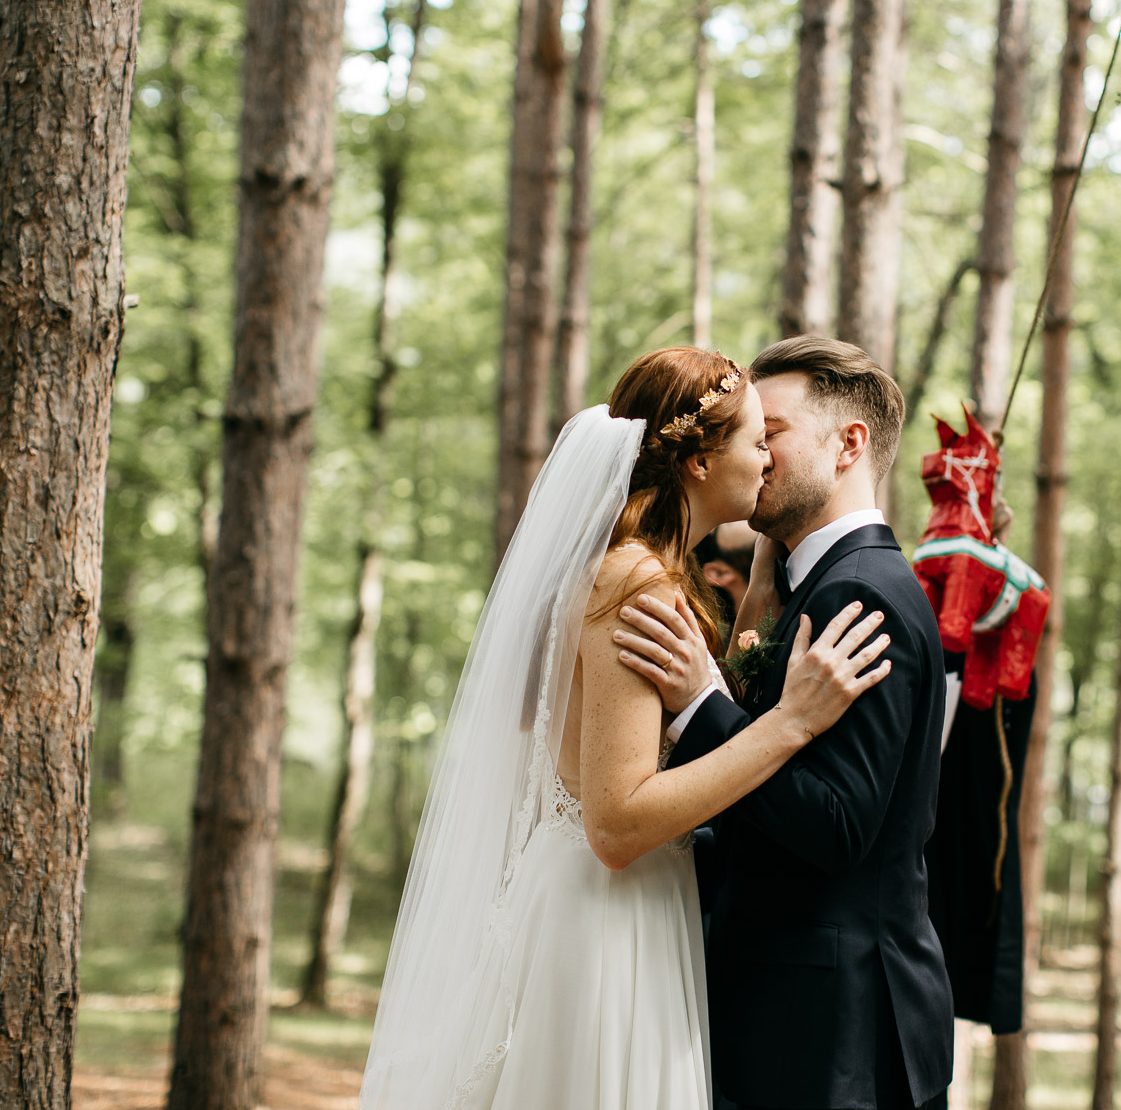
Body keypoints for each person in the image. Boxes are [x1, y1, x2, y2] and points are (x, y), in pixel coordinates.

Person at [359, 346, 894, 1110]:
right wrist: (788, 724)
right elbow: (615, 823)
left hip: (628, 904)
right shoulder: (633, 583)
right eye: (756, 440)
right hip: (606, 917)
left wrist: (757, 597)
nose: (767, 459)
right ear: (700, 462)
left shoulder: (639, 570)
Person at [615, 336, 955, 1110]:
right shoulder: (817, 583)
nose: (756, 454)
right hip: (807, 1020)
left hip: (830, 1036)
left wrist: (701, 706)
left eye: (771, 432)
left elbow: (836, 826)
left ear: (849, 444)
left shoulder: (857, 593)